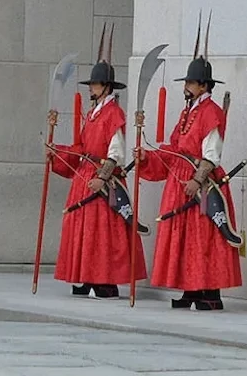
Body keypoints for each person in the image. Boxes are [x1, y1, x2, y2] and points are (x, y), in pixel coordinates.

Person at [135, 17, 242, 310]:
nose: (188, 86)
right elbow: (174, 148)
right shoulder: (187, 113)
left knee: (204, 237)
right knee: (184, 237)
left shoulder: (211, 112)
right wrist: (148, 156)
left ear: (203, 85)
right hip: (180, 179)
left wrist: (197, 178)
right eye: (187, 82)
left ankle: (209, 292)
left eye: (192, 82)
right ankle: (191, 289)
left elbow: (211, 153)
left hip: (201, 182)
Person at [50, 25, 146, 299]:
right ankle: (87, 277)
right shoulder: (93, 114)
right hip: (84, 176)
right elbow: (81, 148)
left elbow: (116, 152)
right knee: (82, 229)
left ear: (105, 87)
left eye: (94, 84)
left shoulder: (113, 113)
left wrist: (102, 178)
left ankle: (105, 281)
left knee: (102, 233)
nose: (90, 88)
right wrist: (57, 152)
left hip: (101, 180)